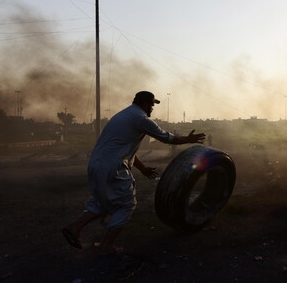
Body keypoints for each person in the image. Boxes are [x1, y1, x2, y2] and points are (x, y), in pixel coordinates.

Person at [62, 91, 205, 255]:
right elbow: (167, 138)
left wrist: (143, 169)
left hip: (97, 164)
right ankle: (106, 246)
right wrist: (188, 139)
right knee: (126, 204)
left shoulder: (123, 116)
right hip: (111, 167)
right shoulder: (141, 119)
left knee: (103, 201)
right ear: (144, 104)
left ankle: (74, 227)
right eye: (152, 104)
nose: (152, 108)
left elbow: (126, 149)